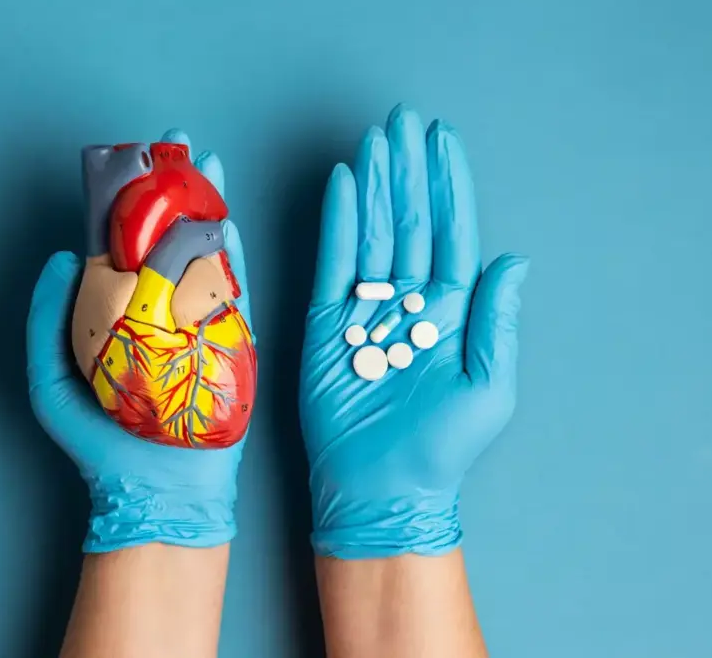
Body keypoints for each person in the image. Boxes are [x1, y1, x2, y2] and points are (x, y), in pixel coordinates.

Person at [26, 103, 530, 658]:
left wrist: (155, 520)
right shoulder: (160, 337)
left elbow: (150, 315)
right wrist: (397, 527)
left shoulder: (160, 332)